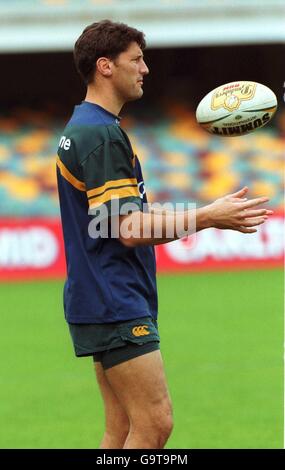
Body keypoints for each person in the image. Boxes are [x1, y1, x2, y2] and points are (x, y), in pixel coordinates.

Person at [56, 19, 273, 449]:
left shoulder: (84, 127)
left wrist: (196, 213)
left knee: (120, 430)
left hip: (99, 296)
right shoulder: (100, 135)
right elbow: (129, 229)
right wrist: (209, 216)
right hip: (114, 298)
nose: (145, 69)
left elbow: (119, 216)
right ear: (105, 66)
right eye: (135, 60)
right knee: (155, 425)